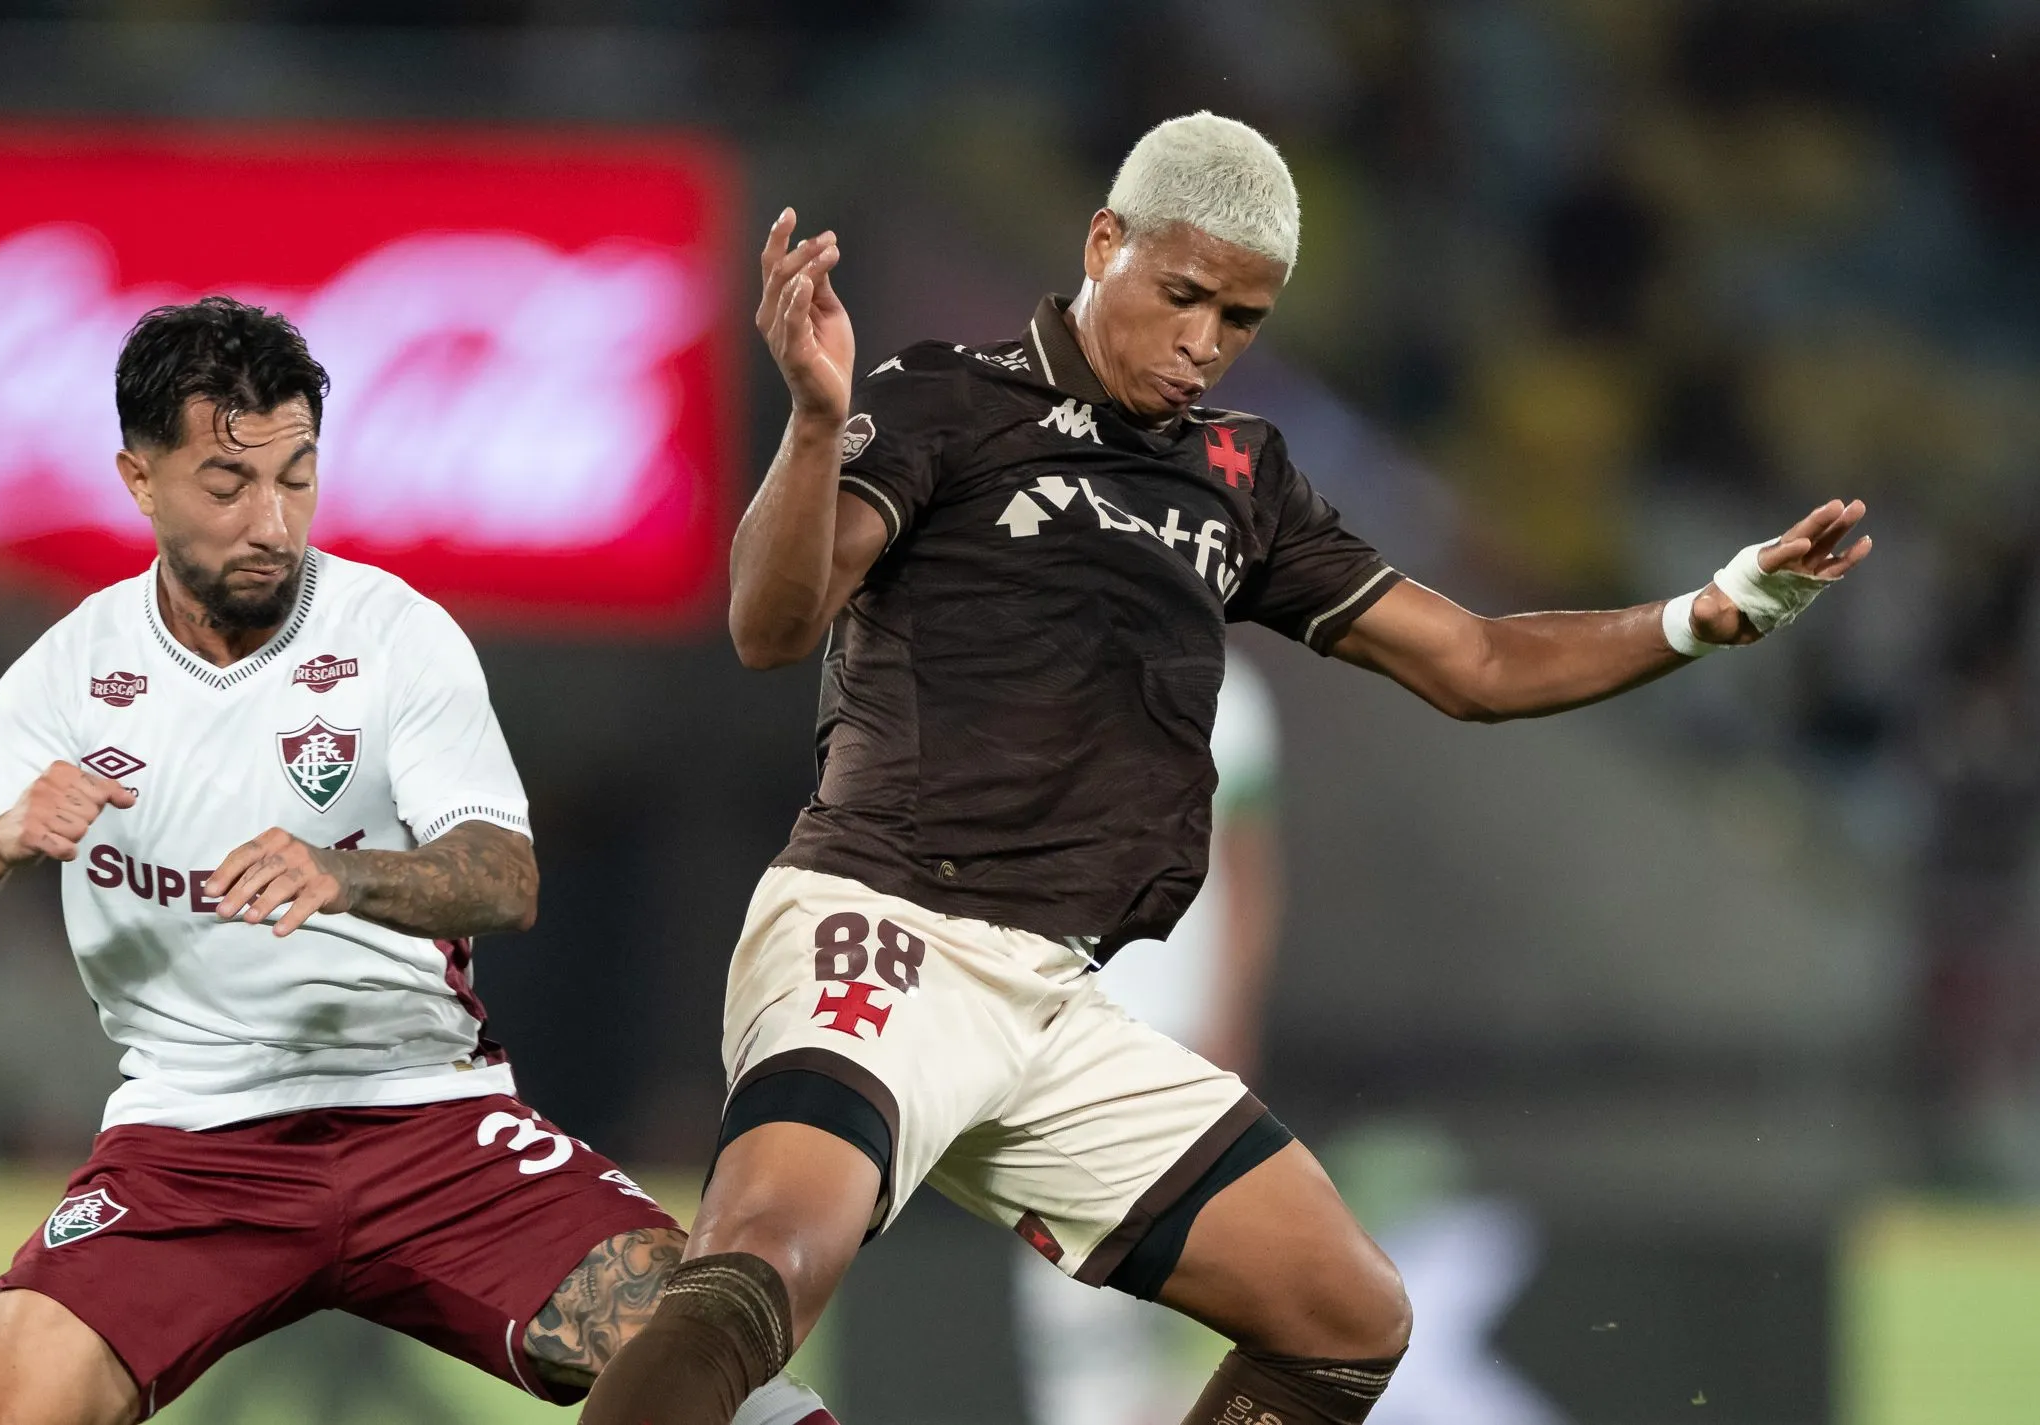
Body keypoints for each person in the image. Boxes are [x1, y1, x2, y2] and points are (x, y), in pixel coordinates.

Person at [578, 111, 1871, 1425]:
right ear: (1101, 244)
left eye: (1238, 318)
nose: (1202, 342)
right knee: (762, 1266)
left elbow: (1472, 661)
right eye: (1180, 295)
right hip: (885, 929)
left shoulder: (1236, 479)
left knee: (1344, 1317)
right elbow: (769, 624)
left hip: (1056, 1002)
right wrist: (811, 422)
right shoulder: (943, 397)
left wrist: (1699, 615)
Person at [0, 297, 834, 1425]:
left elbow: (503, 877)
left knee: (707, 1367)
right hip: (189, 1153)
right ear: (141, 480)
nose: (271, 522)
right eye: (228, 487)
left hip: (427, 1125)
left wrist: (347, 877)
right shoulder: (72, 671)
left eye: (296, 477)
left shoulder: (395, 636)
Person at [1014, 651, 1282, 1425]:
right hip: (1062, 1022)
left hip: (1178, 1028)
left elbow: (1249, 867)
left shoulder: (1232, 690)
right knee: (1065, 1282)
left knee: (1194, 1269)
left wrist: (1233, 1010)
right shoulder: (1038, 670)